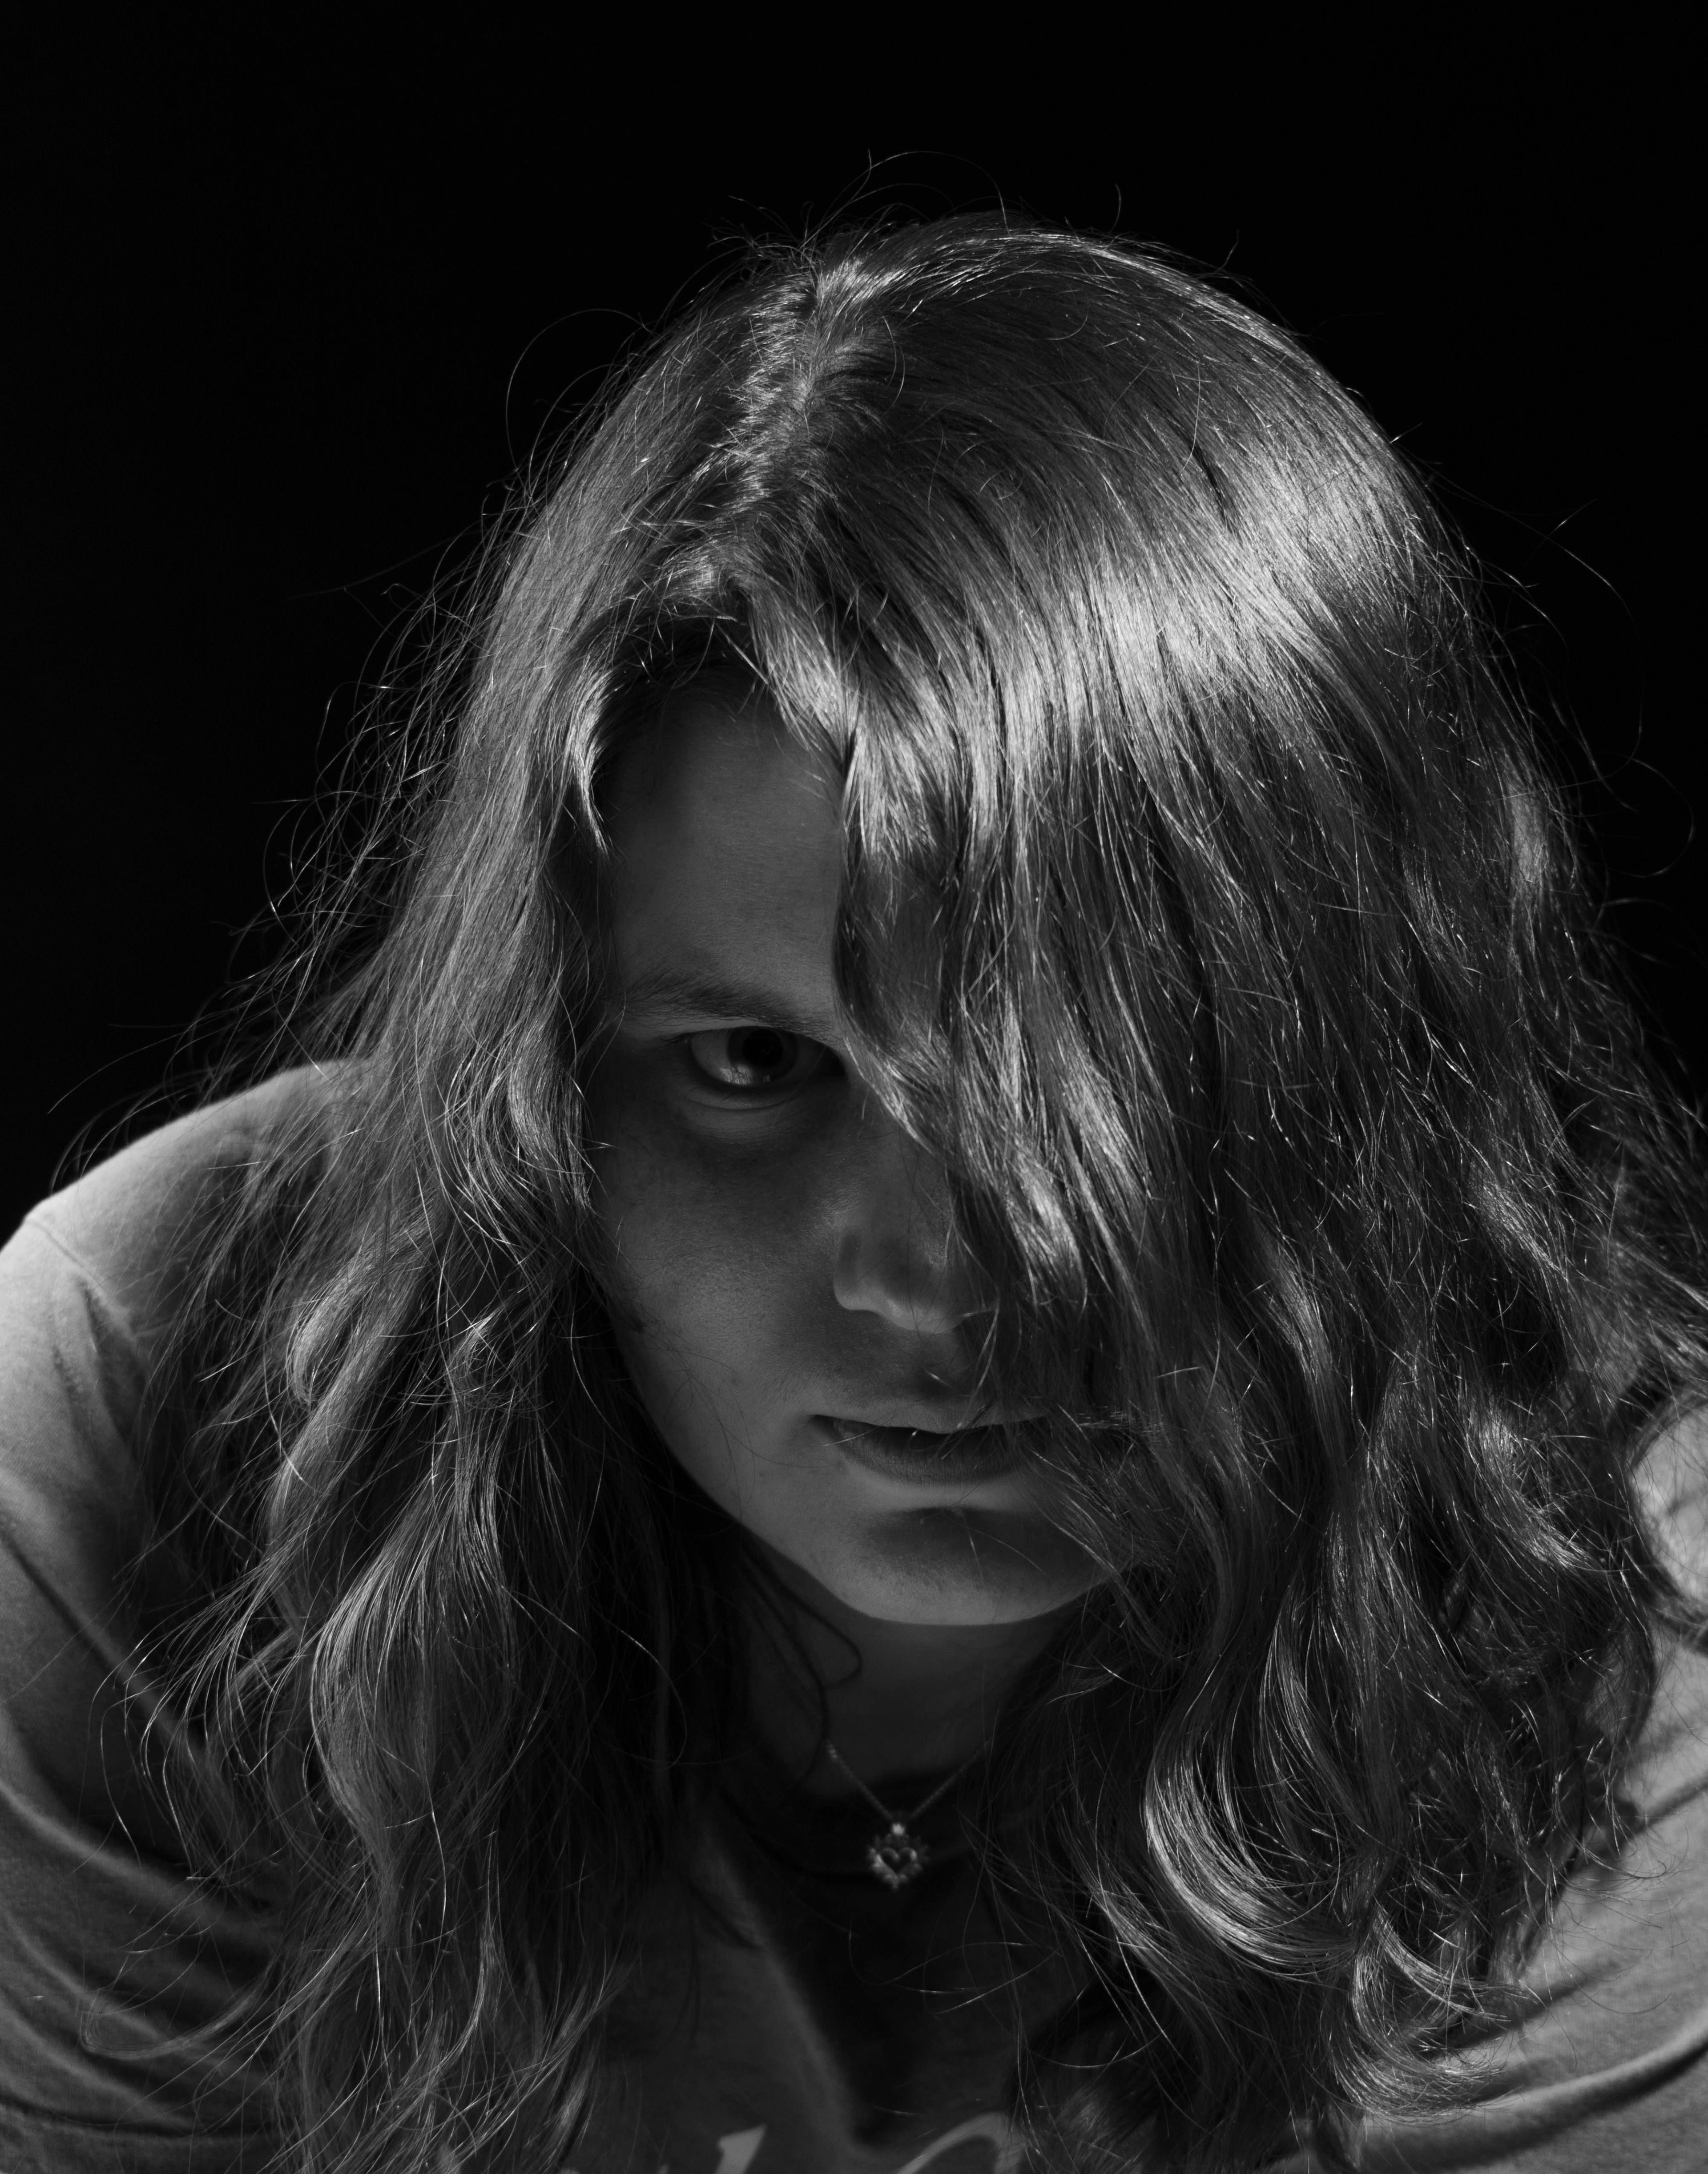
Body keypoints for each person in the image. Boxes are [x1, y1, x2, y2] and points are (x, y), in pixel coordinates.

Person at [1, 216, 1704, 2174]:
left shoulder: (1612, 1598)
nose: (940, 1278)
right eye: (753, 1063)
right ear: (531, 1081)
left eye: (1103, 1074)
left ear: (1371, 1065)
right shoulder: (161, 1405)